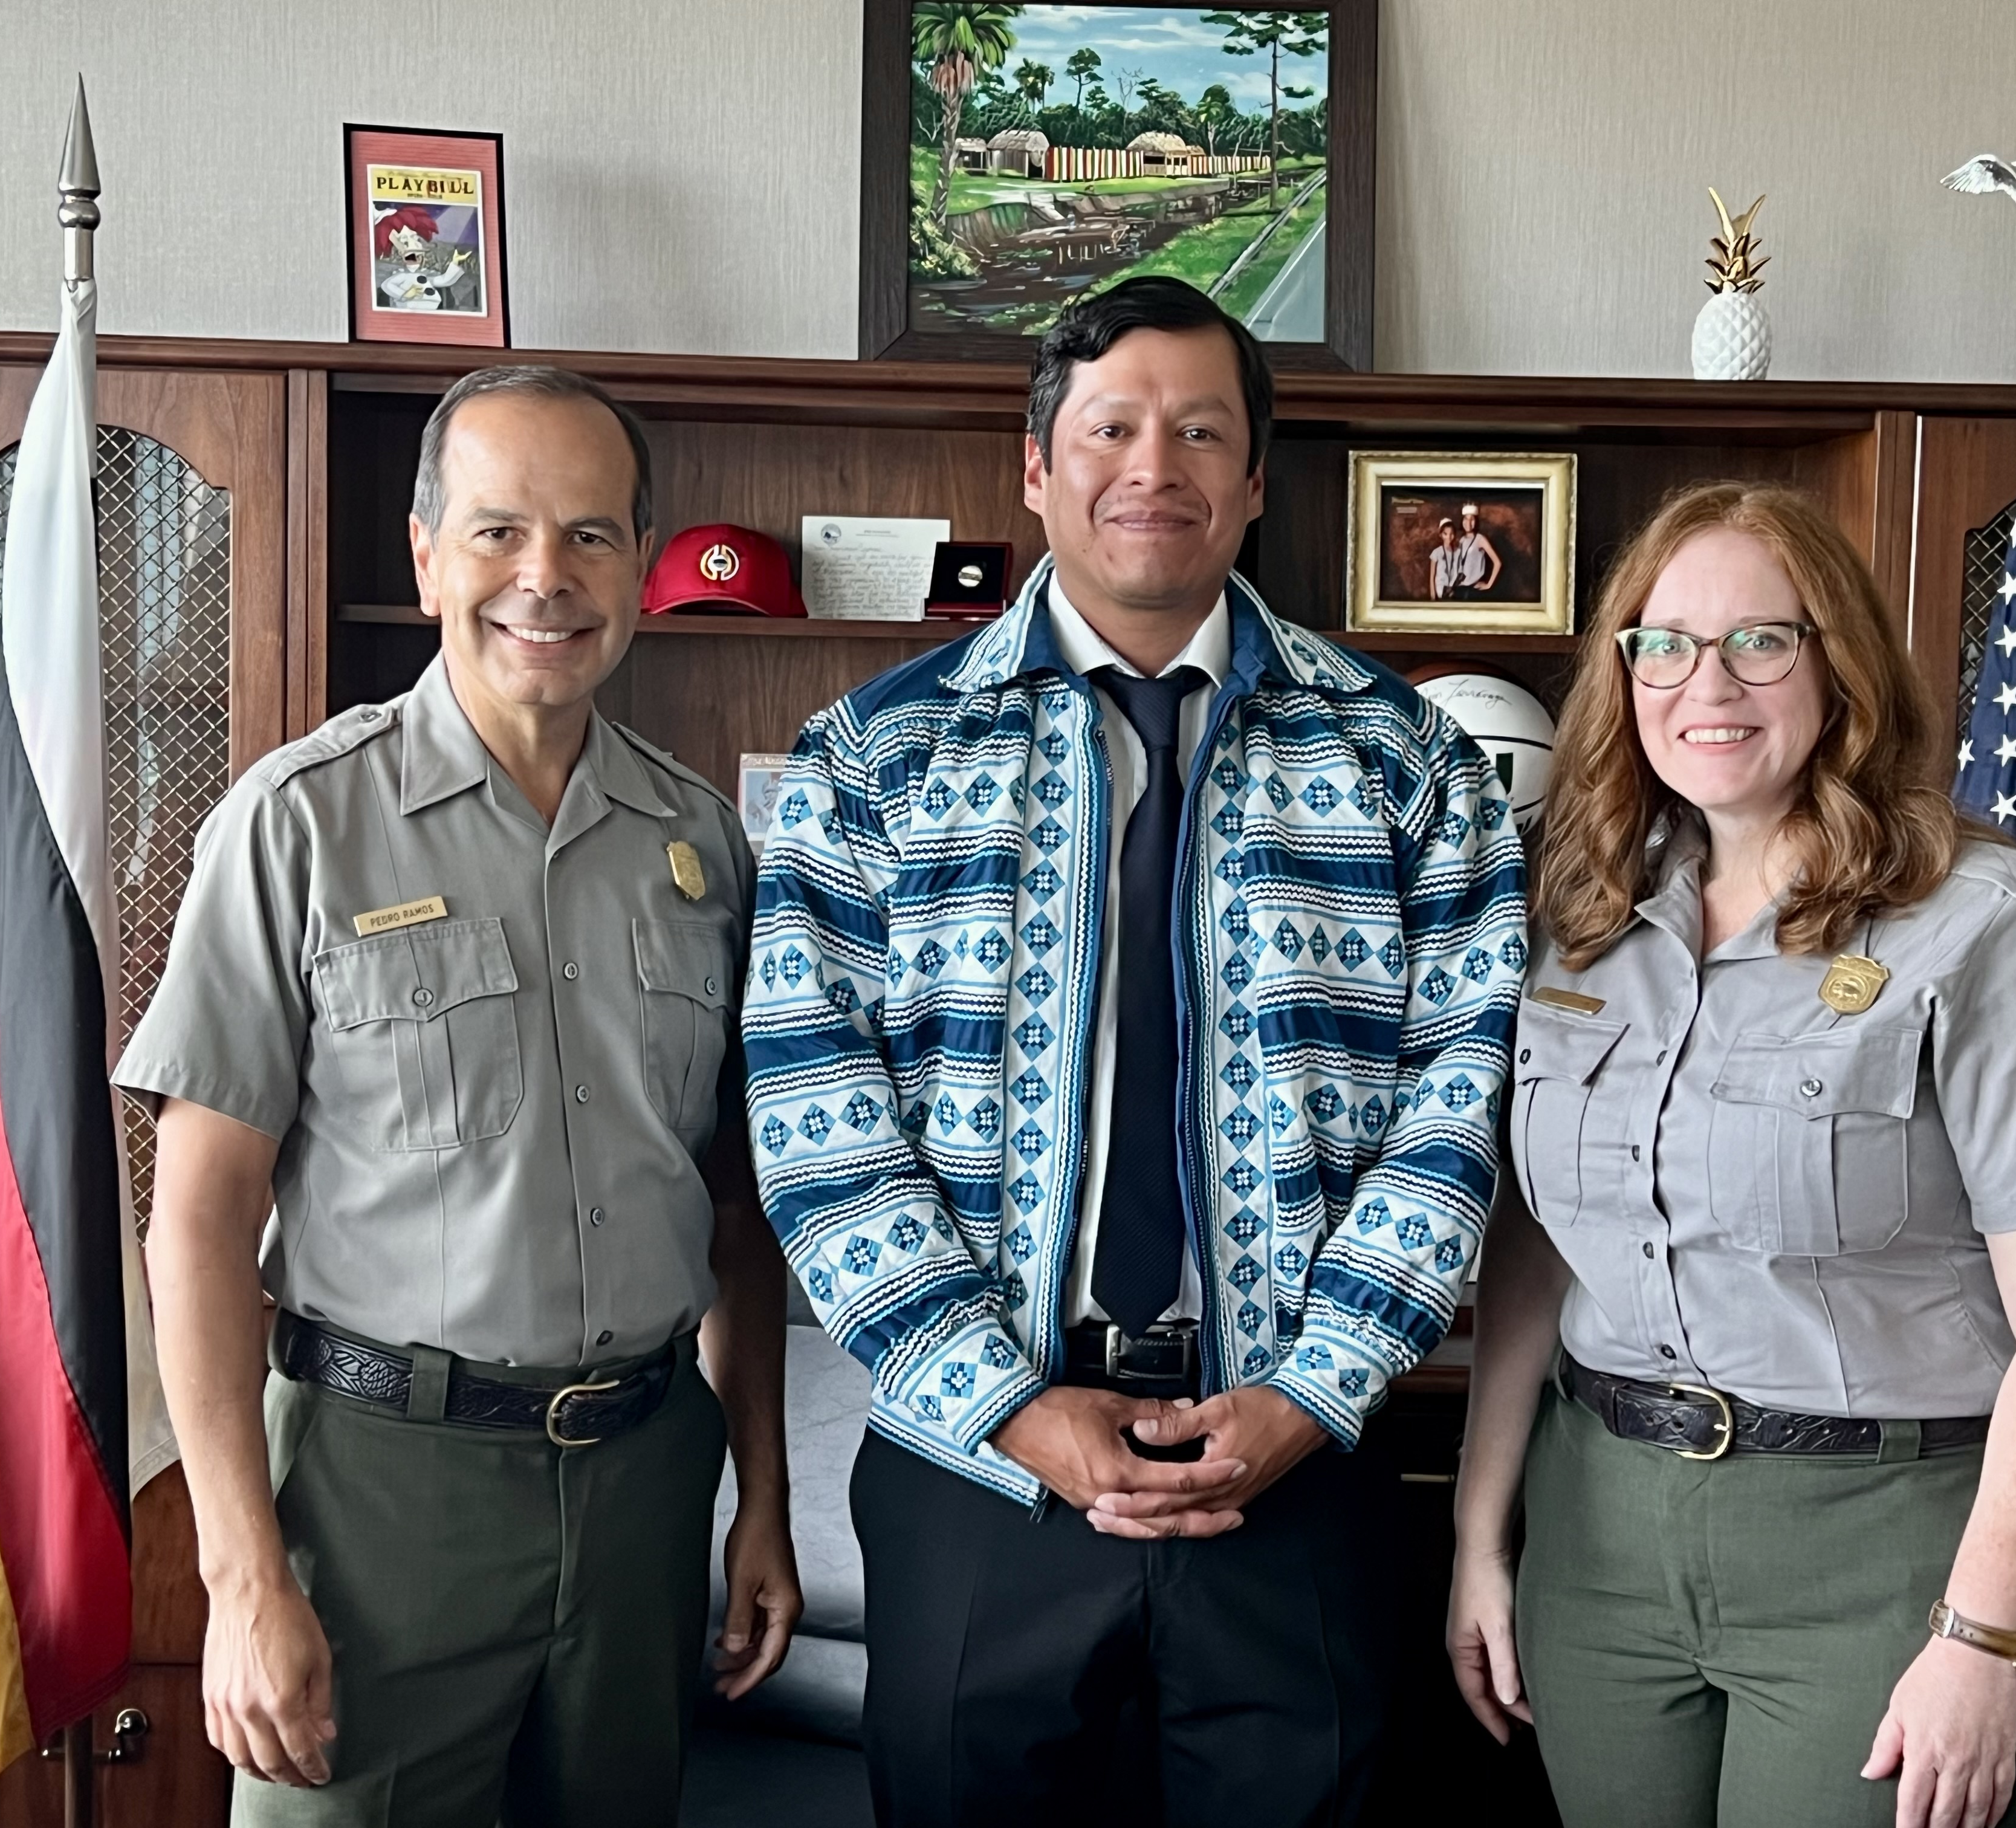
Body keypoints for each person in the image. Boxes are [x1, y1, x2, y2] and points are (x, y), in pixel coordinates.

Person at [745, 275, 1526, 1826]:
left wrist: (1313, 1392)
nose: (1152, 466)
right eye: (1111, 427)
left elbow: (1465, 1101)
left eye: (1199, 432)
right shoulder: (873, 756)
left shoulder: (1407, 757)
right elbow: (813, 1117)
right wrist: (1010, 1404)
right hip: (980, 1470)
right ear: (1037, 467)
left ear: (1252, 483)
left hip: (1298, 1469)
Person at [1445, 482, 2016, 1828]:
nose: (1703, 682)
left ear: (1837, 661)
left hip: (1900, 1541)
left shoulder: (1990, 921)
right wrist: (1479, 1536)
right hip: (1604, 1538)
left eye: (1759, 642)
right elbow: (1539, 1249)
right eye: (1662, 644)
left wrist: (1983, 1637)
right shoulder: (1579, 910)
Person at [118, 365, 802, 1826]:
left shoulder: (703, 849)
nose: (544, 580)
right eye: (496, 533)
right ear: (424, 553)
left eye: (593, 536)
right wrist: (240, 1579)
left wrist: (764, 1502)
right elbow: (196, 1223)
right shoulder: (298, 824)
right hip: (381, 1492)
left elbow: (738, 1207)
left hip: (642, 1481)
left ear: (640, 565)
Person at [1430, 505, 1502, 598]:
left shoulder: (1480, 539)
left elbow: (1497, 562)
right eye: (1466, 519)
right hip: (1458, 588)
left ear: (1476, 522)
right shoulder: (1461, 540)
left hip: (1472, 590)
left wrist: (1488, 585)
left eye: (1472, 520)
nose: (1468, 523)